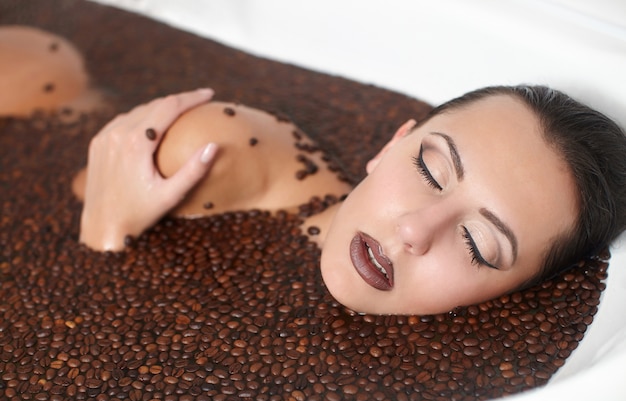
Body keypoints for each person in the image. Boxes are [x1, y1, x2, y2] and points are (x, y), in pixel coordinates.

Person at [73, 85, 626, 315]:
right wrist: (104, 235)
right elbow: (91, 183)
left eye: (478, 245)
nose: (414, 230)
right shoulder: (216, 154)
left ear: (514, 296)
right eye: (429, 169)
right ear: (390, 145)